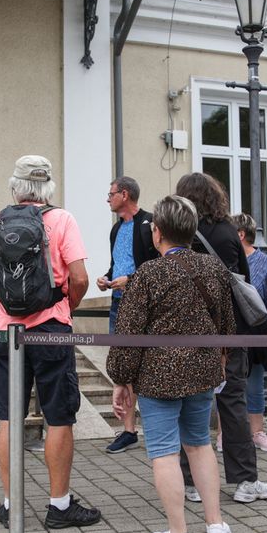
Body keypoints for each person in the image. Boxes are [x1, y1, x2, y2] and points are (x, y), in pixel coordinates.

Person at [0, 155, 100, 529]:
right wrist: (65, 307)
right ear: (48, 188)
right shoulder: (62, 220)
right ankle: (59, 506)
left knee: (10, 416)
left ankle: (11, 505)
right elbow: (79, 277)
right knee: (59, 416)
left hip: (9, 332)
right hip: (51, 329)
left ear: (16, 186)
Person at [108, 195, 235, 533]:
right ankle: (214, 524)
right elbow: (227, 325)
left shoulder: (148, 273)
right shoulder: (213, 269)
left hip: (159, 376)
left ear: (157, 231)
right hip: (202, 371)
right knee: (200, 443)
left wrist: (121, 378)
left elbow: (129, 333)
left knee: (163, 451)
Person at [175, 173, 267, 505]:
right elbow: (239, 280)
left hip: (187, 332)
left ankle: (189, 482)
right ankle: (245, 480)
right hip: (228, 332)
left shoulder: (178, 232)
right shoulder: (227, 233)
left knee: (190, 405)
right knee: (233, 404)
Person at [99, 176, 155, 454]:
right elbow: (116, 264)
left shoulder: (150, 225)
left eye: (111, 194)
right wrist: (106, 278)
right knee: (123, 366)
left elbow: (156, 268)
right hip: (117, 303)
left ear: (125, 194)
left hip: (143, 306)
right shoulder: (115, 229)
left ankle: (156, 427)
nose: (108, 198)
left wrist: (130, 281)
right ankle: (129, 431)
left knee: (146, 364)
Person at [232, 212, 267, 453]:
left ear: (241, 235)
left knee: (255, 385)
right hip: (230, 330)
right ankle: (226, 435)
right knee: (227, 385)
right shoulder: (225, 259)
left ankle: (256, 432)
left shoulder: (265, 262)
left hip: (256, 332)